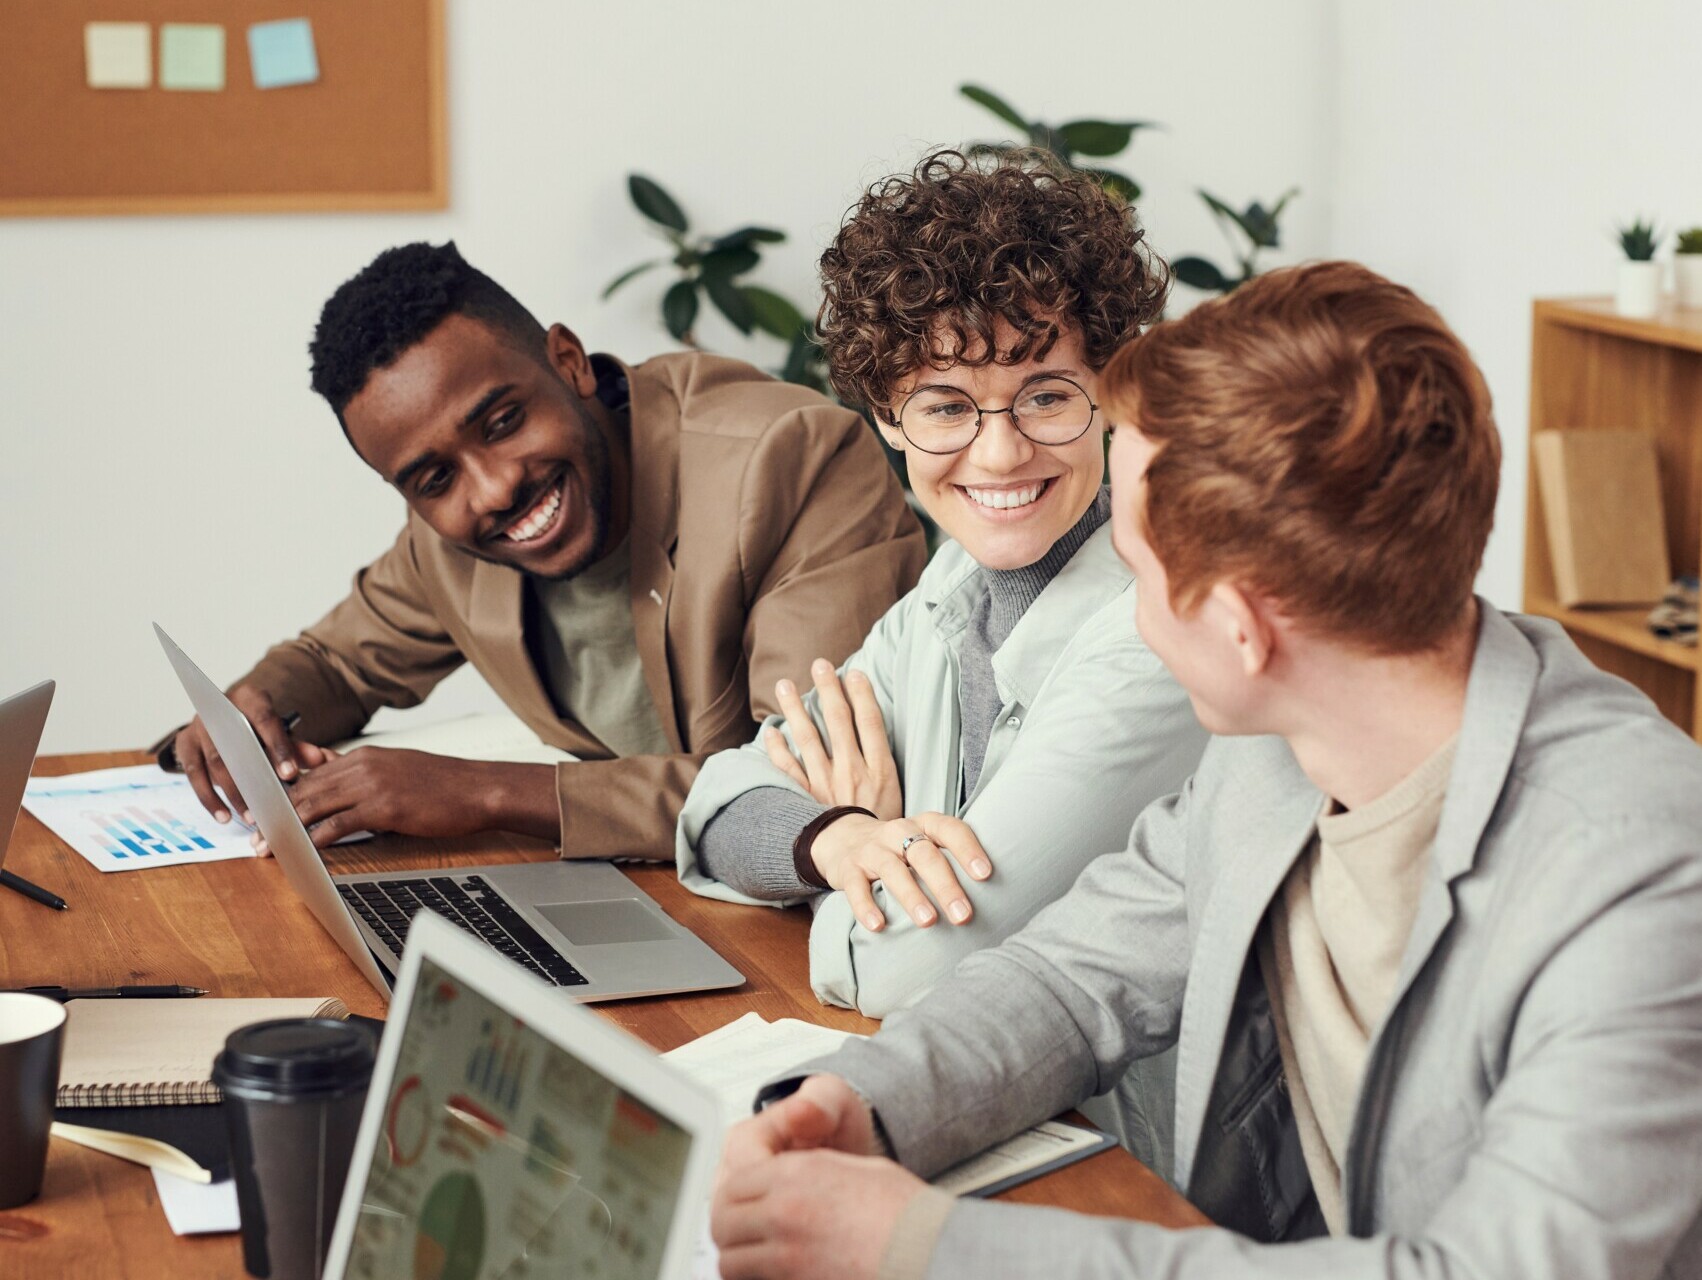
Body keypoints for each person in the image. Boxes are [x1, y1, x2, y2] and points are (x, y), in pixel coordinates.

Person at [708, 261, 1702, 1279]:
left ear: (1239, 627)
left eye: (1136, 573)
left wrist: (921, 1244)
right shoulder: (1274, 755)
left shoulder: (1638, 875)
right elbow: (1069, 978)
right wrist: (863, 1099)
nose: (1125, 609)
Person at [158, 242, 925, 859]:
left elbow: (802, 790)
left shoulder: (787, 458)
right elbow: (335, 665)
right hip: (658, 897)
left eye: (500, 422)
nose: (491, 491)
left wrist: (489, 794)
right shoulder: (447, 544)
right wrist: (254, 708)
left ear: (568, 361)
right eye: (433, 478)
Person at [676, 151, 1208, 1023]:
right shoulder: (951, 587)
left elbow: (902, 972)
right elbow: (716, 804)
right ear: (889, 417)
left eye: (1045, 397)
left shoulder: (1155, 640)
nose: (999, 454)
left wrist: (839, 850)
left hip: (1116, 1146)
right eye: (947, 407)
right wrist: (838, 838)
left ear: (1111, 391)